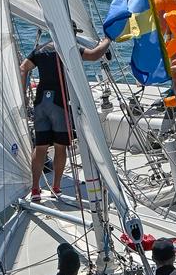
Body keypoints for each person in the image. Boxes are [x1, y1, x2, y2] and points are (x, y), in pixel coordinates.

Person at [20, 34, 111, 201]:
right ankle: (56, 187)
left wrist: (23, 94)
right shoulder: (67, 49)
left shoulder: (40, 49)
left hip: (41, 102)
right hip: (59, 103)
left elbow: (23, 68)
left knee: (40, 147)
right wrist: (108, 39)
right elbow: (94, 55)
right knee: (60, 147)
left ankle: (35, 190)